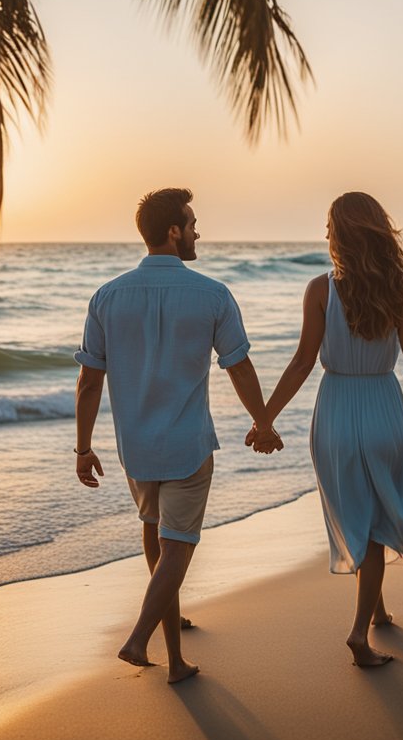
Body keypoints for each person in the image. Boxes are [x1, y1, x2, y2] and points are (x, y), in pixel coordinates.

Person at [247, 191, 403, 667]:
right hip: (384, 407)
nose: (325, 234)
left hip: (335, 413)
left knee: (359, 518)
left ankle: (370, 617)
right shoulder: (402, 288)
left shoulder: (319, 289)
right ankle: (366, 625)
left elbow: (302, 363)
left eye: (329, 226)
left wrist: (264, 419)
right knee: (375, 519)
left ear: (342, 234)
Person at [73, 187, 282, 684]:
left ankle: (176, 660)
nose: (197, 230)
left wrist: (83, 448)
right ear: (173, 231)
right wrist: (263, 422)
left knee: (159, 541)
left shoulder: (107, 295)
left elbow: (89, 380)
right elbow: (239, 365)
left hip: (136, 450)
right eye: (191, 222)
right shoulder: (211, 293)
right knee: (178, 549)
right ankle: (138, 639)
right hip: (187, 447)